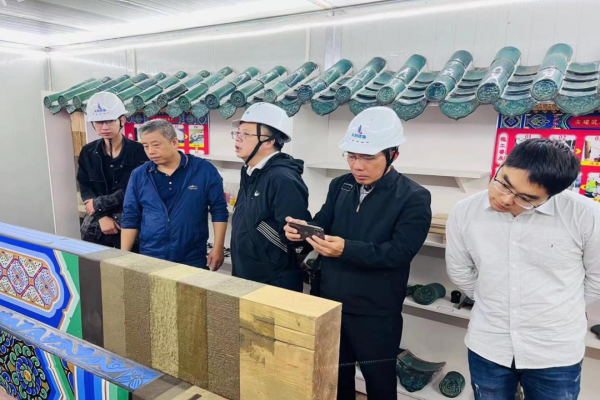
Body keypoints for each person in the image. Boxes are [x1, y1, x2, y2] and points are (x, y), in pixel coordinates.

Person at [284, 107, 432, 400]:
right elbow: (323, 222)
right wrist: (303, 231)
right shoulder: (340, 185)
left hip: (375, 310)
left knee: (379, 383)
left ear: (393, 155)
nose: (358, 166)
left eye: (368, 157)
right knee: (335, 379)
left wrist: (346, 249)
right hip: (331, 302)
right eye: (351, 156)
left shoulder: (413, 197)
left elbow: (400, 252)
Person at [446, 138, 600, 400]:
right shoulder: (465, 212)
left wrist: (556, 307)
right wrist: (492, 298)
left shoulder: (586, 215)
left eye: (526, 198)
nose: (505, 199)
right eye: (504, 183)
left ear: (552, 195)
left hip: (554, 352)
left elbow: (597, 278)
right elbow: (460, 270)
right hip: (489, 344)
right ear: (502, 165)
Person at [121, 119, 228, 269]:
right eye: (146, 146)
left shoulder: (204, 170)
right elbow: (130, 216)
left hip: (192, 256)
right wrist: (123, 256)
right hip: (151, 255)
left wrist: (218, 247)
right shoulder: (139, 175)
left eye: (156, 145)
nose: (151, 151)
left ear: (174, 142)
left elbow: (219, 210)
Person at [230, 103, 311, 292]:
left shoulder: (282, 178)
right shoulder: (250, 172)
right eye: (237, 133)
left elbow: (297, 237)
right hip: (247, 274)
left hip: (274, 281)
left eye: (246, 134)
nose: (238, 138)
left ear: (269, 141)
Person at [77, 92, 148, 249]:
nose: (104, 127)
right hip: (96, 227)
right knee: (93, 263)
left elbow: (135, 190)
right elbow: (85, 187)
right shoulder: (88, 151)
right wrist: (101, 216)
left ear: (122, 120)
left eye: (110, 121)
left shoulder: (140, 151)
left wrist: (99, 203)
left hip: (131, 225)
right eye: (99, 122)